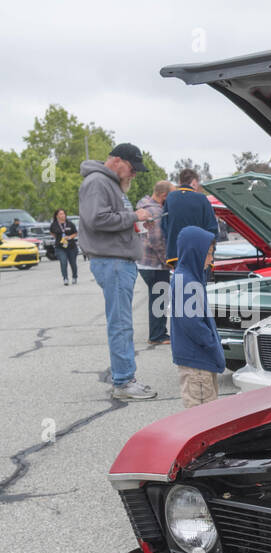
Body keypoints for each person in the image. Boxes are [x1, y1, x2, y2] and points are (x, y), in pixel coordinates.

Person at [78, 143, 156, 401]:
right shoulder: (98, 182)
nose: (133, 174)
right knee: (121, 324)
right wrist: (134, 216)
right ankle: (123, 382)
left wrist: (133, 223)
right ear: (118, 161)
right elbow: (96, 219)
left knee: (122, 323)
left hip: (118, 260)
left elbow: (109, 219)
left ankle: (125, 377)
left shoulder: (110, 183)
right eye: (132, 169)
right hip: (112, 261)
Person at [169, 225, 225, 407]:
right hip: (197, 361)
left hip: (201, 359)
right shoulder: (185, 280)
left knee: (208, 411)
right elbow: (192, 323)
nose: (211, 259)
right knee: (203, 413)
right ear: (195, 253)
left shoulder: (190, 277)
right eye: (208, 254)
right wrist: (210, 343)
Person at [136, 180, 173, 344]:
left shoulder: (144, 204)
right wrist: (168, 261)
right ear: (164, 195)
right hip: (155, 263)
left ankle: (157, 333)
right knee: (159, 297)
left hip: (143, 261)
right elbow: (157, 239)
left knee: (156, 296)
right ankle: (158, 335)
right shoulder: (155, 211)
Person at [162, 168, 218, 266]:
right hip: (198, 255)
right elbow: (212, 228)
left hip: (177, 256)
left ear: (180, 182)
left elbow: (164, 225)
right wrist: (211, 252)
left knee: (179, 280)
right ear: (194, 182)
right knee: (198, 281)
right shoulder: (202, 199)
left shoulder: (170, 198)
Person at [49, 210, 79, 285]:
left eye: (63, 214)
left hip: (71, 247)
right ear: (57, 216)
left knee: (73, 263)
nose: (63, 215)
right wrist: (59, 239)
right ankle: (65, 278)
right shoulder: (54, 225)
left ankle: (74, 276)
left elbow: (75, 233)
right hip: (60, 247)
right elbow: (52, 233)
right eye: (60, 214)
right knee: (63, 262)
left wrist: (69, 237)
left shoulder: (70, 224)